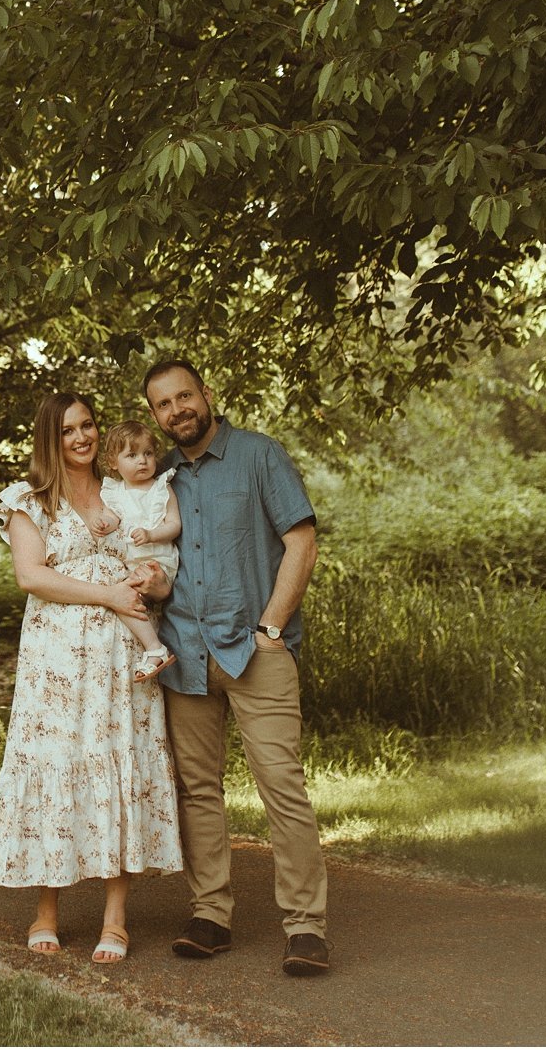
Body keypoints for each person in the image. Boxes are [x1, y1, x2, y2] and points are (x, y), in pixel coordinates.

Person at [136, 359, 331, 977]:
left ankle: (305, 927)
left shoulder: (258, 455)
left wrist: (273, 627)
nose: (177, 410)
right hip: (185, 657)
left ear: (207, 394)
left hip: (255, 652)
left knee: (283, 786)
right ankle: (210, 916)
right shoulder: (157, 476)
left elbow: (301, 541)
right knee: (197, 791)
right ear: (155, 416)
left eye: (184, 396)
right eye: (163, 404)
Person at [0, 391, 184, 965]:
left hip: (123, 659)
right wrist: (104, 594)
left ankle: (115, 919)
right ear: (50, 437)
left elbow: (158, 572)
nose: (82, 437)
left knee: (120, 765)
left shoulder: (124, 491)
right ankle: (45, 909)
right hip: (58, 662)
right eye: (69, 429)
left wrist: (151, 583)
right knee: (56, 766)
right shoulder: (27, 500)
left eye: (89, 425)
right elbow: (31, 576)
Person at [99, 420, 178, 681]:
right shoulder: (114, 492)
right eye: (131, 455)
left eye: (148, 453)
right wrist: (104, 523)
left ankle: (155, 649)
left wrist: (151, 534)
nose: (142, 461)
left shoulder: (161, 488)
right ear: (113, 462)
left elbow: (174, 524)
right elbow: (112, 517)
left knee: (127, 596)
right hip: (132, 564)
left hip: (159, 562)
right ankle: (153, 647)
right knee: (124, 599)